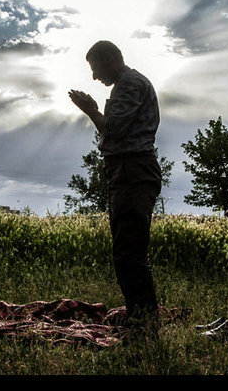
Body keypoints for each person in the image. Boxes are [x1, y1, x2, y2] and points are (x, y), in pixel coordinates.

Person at [68, 40, 162, 339]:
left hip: (132, 171)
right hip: (127, 171)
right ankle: (140, 317)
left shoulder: (129, 84)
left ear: (109, 58)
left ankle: (144, 323)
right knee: (127, 250)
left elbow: (113, 129)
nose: (95, 77)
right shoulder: (127, 84)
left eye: (95, 68)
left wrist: (91, 110)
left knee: (129, 253)